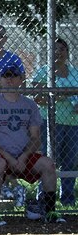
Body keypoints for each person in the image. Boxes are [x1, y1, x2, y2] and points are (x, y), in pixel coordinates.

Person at [0, 66, 65, 226]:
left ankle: (51, 211)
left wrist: (23, 156)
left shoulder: (30, 105)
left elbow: (35, 138)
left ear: (21, 79)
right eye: (5, 75)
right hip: (0, 154)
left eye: (14, 76)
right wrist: (9, 156)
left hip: (23, 154)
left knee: (48, 164)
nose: (9, 79)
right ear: (0, 79)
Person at [31, 38, 78, 206]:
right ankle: (43, 198)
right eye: (55, 49)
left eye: (62, 49)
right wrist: (62, 95)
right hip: (51, 123)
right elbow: (38, 97)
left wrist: (57, 95)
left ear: (67, 52)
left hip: (73, 123)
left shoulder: (74, 72)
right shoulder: (44, 72)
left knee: (70, 161)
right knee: (48, 160)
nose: (59, 52)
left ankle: (67, 200)